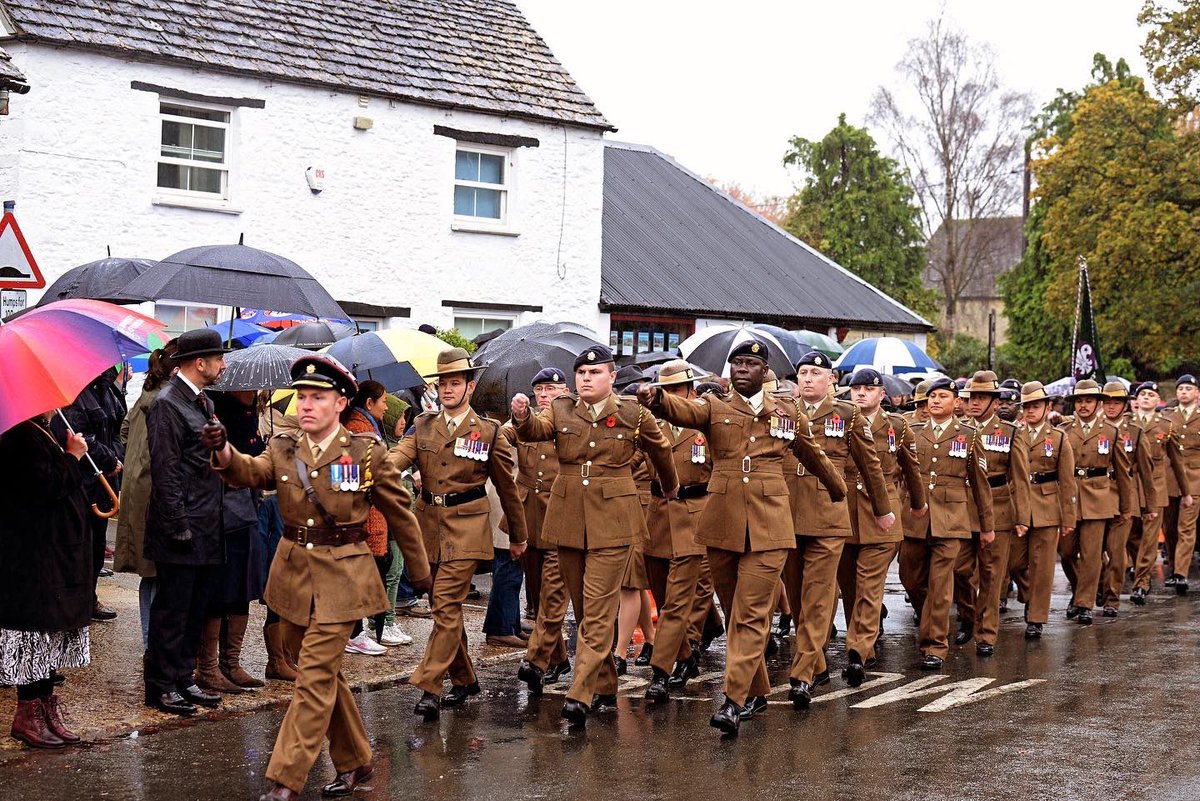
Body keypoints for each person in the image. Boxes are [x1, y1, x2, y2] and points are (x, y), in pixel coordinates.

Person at [209, 354, 432, 801]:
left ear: (341, 401)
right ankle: (356, 760)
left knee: (311, 677)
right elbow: (250, 473)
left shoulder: (366, 451)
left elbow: (400, 513)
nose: (306, 405)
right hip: (293, 576)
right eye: (302, 397)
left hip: (343, 577)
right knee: (325, 673)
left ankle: (285, 779)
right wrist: (223, 450)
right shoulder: (283, 449)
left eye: (318, 397)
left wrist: (421, 571)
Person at [638, 338, 845, 734]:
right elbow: (685, 409)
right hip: (722, 524)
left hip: (769, 526)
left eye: (751, 363)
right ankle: (757, 691)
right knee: (735, 612)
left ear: (764, 371)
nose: (742, 369)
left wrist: (838, 491)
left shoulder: (785, 411)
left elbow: (812, 452)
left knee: (751, 614)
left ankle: (732, 701)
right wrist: (656, 399)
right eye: (737, 363)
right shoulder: (715, 407)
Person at [511, 344, 677, 728]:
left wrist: (669, 487)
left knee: (599, 611)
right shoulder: (561, 408)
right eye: (581, 374)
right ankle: (605, 684)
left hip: (614, 521)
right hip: (568, 517)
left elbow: (662, 452)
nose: (586, 379)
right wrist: (522, 416)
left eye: (595, 373)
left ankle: (579, 693)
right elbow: (537, 431)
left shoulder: (633, 414)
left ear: (612, 377)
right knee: (586, 611)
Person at [390, 348, 527, 720]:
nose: (448, 390)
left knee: (447, 606)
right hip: (427, 527)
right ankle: (465, 678)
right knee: (443, 612)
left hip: (467, 528)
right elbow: (397, 459)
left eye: (455, 383)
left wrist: (517, 536)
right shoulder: (423, 425)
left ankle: (430, 686)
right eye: (443, 383)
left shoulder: (488, 431)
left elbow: (508, 489)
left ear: (470, 386)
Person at [787, 351, 893, 708]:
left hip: (830, 515)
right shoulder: (783, 410)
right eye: (802, 372)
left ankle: (801, 676)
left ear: (831, 379)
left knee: (818, 598)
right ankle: (816, 664)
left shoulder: (848, 416)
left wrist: (883, 510)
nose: (807, 379)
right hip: (786, 513)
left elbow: (870, 464)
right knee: (797, 597)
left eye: (815, 373)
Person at [143, 329, 231, 717]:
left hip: (207, 522)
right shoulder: (167, 404)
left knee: (195, 607)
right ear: (200, 363)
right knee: (172, 610)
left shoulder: (203, 402)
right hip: (182, 526)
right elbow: (165, 470)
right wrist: (177, 522)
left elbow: (203, 459)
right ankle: (160, 684)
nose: (223, 365)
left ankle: (183, 677)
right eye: (219, 359)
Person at [0, 414, 92, 749]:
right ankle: (28, 715)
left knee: (50, 635)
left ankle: (46, 708)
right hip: (32, 557)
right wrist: (72, 457)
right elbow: (43, 487)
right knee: (35, 634)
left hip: (51, 553)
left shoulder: (40, 430)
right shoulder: (17, 434)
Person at [837, 368, 926, 685]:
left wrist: (918, 503)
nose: (860, 393)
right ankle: (863, 642)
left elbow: (911, 469)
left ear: (881, 394)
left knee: (869, 586)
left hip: (882, 514)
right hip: (844, 511)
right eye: (855, 388)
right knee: (849, 587)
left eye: (867, 389)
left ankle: (857, 652)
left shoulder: (898, 427)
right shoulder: (840, 420)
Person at [900, 377, 993, 670]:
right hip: (916, 518)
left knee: (940, 586)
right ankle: (929, 621)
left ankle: (935, 647)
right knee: (911, 579)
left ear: (957, 403)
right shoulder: (912, 431)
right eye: (932, 396)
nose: (936, 400)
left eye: (943, 396)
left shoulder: (968, 434)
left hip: (951, 519)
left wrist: (987, 525)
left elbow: (980, 483)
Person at [640, 360, 713, 702]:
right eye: (664, 391)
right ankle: (684, 656)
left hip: (694, 519)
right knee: (663, 597)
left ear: (690, 392)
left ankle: (660, 671)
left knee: (676, 605)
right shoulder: (649, 426)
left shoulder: (705, 427)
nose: (670, 397)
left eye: (676, 391)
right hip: (657, 518)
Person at [195, 389, 269, 694]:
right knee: (220, 591)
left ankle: (231, 662)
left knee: (243, 589)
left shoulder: (250, 413)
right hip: (223, 512)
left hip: (246, 509)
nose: (255, 392)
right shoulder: (218, 411)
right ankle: (208, 667)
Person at [953, 371, 1030, 655]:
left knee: (992, 575)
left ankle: (986, 635)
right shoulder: (958, 429)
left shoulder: (1010, 433)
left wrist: (1022, 517)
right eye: (972, 397)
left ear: (995, 403)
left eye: (982, 397)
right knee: (958, 568)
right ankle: (968, 615)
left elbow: (1020, 478)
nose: (974, 402)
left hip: (998, 508)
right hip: (963, 507)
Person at [512, 368, 573, 693]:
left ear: (564, 390)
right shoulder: (527, 423)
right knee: (536, 597)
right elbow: (504, 437)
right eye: (539, 390)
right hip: (530, 521)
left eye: (550, 388)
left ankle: (536, 659)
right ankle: (559, 658)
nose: (544, 394)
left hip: (560, 520)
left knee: (552, 596)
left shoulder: (573, 422)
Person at [114, 342, 178, 648]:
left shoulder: (148, 394)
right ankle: (154, 643)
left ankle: (150, 640)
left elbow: (125, 430)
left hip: (139, 487)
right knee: (156, 571)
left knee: (148, 572)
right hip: (152, 491)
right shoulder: (166, 400)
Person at [1059, 379, 1133, 625]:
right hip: (1069, 496)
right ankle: (1082, 589)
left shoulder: (1110, 432)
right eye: (1079, 401)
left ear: (1098, 403)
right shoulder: (1064, 430)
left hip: (1098, 497)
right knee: (1066, 551)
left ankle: (1084, 603)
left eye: (1088, 401)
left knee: (1091, 554)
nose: (1083, 405)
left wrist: (1125, 507)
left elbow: (1123, 472)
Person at [56, 367, 127, 621]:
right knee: (79, 547)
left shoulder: (107, 390)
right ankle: (77, 601)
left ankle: (89, 598)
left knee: (96, 547)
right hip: (84, 483)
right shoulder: (74, 391)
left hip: (105, 481)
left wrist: (116, 457)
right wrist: (109, 459)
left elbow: (118, 429)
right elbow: (78, 434)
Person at [340, 381, 406, 653]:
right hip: (367, 518)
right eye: (383, 401)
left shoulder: (367, 427)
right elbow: (359, 479)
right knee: (363, 577)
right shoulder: (360, 431)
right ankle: (355, 632)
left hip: (371, 515)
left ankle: (360, 630)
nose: (387, 406)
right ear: (369, 404)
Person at [1009, 381, 1077, 639]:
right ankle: (1028, 594)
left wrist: (1068, 516)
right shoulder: (1014, 433)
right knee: (1013, 562)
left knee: (1043, 566)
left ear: (1047, 407)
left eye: (1035, 406)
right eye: (1026, 406)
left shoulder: (1059, 438)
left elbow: (1068, 481)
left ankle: (1036, 617)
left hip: (1048, 505)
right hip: (1018, 504)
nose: (1030, 411)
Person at [1127, 381, 1191, 603]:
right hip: (1132, 486)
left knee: (1150, 538)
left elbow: (1177, 460)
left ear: (1157, 401)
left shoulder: (1166, 426)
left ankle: (1141, 583)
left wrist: (1186, 492)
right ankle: (1139, 569)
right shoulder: (1126, 424)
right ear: (1136, 400)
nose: (1145, 397)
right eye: (1142, 394)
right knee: (1131, 536)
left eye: (1150, 395)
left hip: (1156, 487)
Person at [1098, 381, 1156, 615]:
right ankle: (1099, 586)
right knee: (1090, 550)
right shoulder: (1095, 428)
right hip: (1097, 495)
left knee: (1117, 550)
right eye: (1107, 402)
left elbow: (1146, 471)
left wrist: (1149, 505)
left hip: (1124, 494)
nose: (1111, 407)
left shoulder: (1135, 432)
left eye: (1117, 402)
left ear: (1125, 405)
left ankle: (1112, 597)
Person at [1162, 374, 1200, 593]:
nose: (1184, 392)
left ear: (1196, 393)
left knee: (1186, 527)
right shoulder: (1167, 417)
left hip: (1194, 479)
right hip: (1170, 480)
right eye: (1180, 389)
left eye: (1188, 389)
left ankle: (1180, 574)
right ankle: (1175, 567)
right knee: (1170, 528)